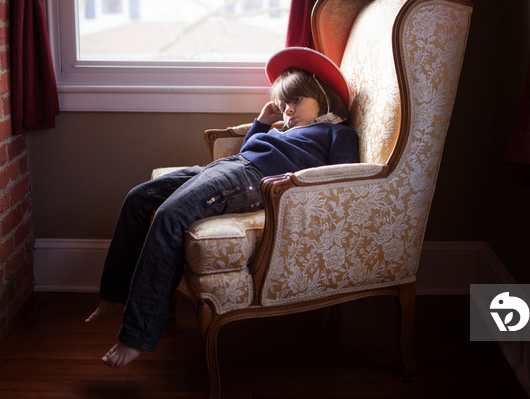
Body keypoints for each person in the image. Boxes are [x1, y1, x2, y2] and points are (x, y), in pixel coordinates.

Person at [85, 47, 359, 368]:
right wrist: (263, 121)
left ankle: (137, 335)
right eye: (284, 104)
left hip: (251, 179)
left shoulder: (337, 132)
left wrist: (294, 186)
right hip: (233, 165)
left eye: (296, 100)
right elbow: (249, 150)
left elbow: (341, 178)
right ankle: (114, 296)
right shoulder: (287, 129)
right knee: (139, 197)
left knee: (170, 216)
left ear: (322, 96)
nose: (288, 109)